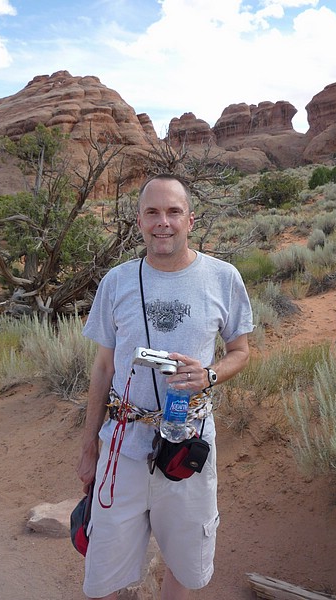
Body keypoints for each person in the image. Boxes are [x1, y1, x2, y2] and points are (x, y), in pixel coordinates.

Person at [77, 173, 253, 600]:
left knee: (184, 563)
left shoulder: (223, 277)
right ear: (139, 221)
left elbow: (241, 351)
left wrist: (208, 374)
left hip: (187, 445)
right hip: (123, 447)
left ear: (191, 219)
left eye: (174, 212)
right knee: (107, 570)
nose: (163, 222)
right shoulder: (116, 281)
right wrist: (88, 449)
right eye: (152, 212)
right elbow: (102, 370)